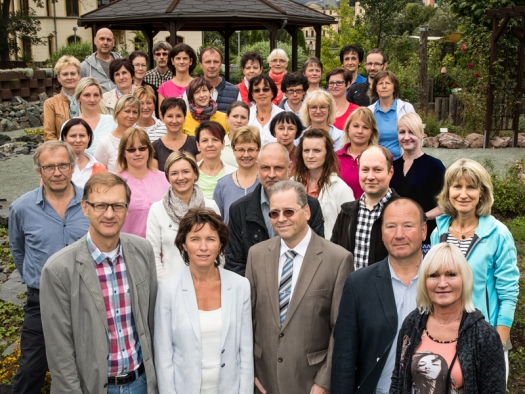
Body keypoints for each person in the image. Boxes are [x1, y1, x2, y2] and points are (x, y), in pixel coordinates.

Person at [40, 172, 158, 393]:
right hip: (94, 387)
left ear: (127, 208)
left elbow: (151, 322)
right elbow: (59, 350)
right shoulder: (58, 270)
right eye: (100, 205)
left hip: (141, 382)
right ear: (85, 207)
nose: (110, 214)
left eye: (117, 206)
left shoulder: (143, 251)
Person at [246, 180, 354, 394]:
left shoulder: (338, 259)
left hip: (311, 382)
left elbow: (341, 330)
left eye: (288, 211)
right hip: (263, 380)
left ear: (306, 212)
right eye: (274, 214)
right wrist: (250, 372)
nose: (281, 219)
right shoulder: (256, 255)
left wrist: (324, 381)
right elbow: (247, 319)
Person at [8, 141, 89, 394]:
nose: (57, 172)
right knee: (31, 368)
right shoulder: (21, 208)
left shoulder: (91, 202)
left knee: (88, 364)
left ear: (72, 167)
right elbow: (18, 248)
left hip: (86, 296)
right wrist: (33, 278)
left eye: (63, 165)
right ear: (38, 171)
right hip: (41, 299)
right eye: (49, 167)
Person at [430, 158, 520, 375]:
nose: (463, 194)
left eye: (471, 187)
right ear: (448, 191)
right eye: (457, 186)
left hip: (486, 337)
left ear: (482, 193)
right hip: (445, 337)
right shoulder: (438, 234)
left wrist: (497, 343)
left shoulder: (498, 234)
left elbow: (508, 294)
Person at [331, 198, 427, 394]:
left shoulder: (444, 282)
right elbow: (345, 357)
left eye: (408, 226)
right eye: (391, 226)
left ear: (423, 231)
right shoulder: (358, 284)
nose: (399, 235)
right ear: (382, 233)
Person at [155, 207, 253, 393]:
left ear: (221, 244)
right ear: (183, 244)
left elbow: (245, 353)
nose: (203, 247)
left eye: (210, 239)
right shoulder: (168, 289)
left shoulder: (240, 286)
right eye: (195, 239)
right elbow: (164, 357)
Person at [390, 242, 507, 393]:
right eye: (434, 275)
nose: (442, 283)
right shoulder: (412, 323)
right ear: (424, 282)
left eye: (451, 274)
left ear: (464, 279)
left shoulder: (484, 335)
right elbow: (398, 380)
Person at [225, 143, 325, 276]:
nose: (271, 175)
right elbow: (234, 264)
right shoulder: (239, 210)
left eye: (278, 168)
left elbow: (317, 255)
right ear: (257, 167)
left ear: (289, 168)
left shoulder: (310, 205)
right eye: (266, 168)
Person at [146, 151, 220, 280]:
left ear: (195, 173)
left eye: (186, 171)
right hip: (171, 285)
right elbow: (152, 254)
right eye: (174, 173)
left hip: (206, 283)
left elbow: (220, 250)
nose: (181, 177)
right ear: (168, 177)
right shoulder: (157, 210)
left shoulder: (211, 207)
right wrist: (166, 285)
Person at [331, 145, 398, 269]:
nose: (370, 177)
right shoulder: (346, 213)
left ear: (390, 172)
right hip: (349, 287)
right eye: (365, 170)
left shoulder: (403, 212)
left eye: (377, 170)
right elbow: (333, 257)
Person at [390, 113, 445, 252]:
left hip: (425, 235)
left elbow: (446, 205)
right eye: (402, 132)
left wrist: (422, 217)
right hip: (396, 235)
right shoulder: (392, 166)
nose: (406, 137)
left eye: (412, 132)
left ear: (421, 134)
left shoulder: (435, 166)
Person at [294, 128, 354, 239]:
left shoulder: (341, 189)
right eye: (306, 150)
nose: (310, 155)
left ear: (327, 154)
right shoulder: (292, 184)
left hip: (328, 251)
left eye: (317, 150)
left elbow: (349, 230)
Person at [116, 127, 169, 237]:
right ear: (123, 153)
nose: (137, 153)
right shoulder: (115, 182)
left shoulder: (165, 179)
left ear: (149, 150)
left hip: (161, 248)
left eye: (142, 148)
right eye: (131, 150)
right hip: (128, 248)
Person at [214, 126, 260, 224]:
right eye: (241, 150)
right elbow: (217, 223)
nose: (246, 155)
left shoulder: (266, 183)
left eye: (251, 149)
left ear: (258, 150)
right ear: (234, 150)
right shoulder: (222, 185)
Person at [368, 70, 415, 160]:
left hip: (402, 160)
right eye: (380, 83)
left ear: (394, 87)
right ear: (375, 88)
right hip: (376, 160)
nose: (384, 86)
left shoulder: (407, 108)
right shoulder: (369, 111)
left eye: (388, 83)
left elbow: (415, 134)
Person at [336, 107, 378, 199]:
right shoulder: (334, 157)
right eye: (356, 126)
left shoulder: (380, 157)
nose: (360, 131)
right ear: (347, 129)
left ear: (372, 132)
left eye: (365, 127)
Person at [94, 94, 140, 172]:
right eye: (127, 111)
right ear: (117, 112)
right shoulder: (105, 143)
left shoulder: (142, 137)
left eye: (135, 112)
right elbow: (98, 173)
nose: (131, 116)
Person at [153, 97, 199, 171]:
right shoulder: (155, 147)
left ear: (184, 118)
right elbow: (156, 178)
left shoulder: (195, 143)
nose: (174, 121)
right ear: (162, 117)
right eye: (170, 116)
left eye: (178, 116)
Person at [73, 77, 117, 154]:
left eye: (96, 95)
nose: (92, 100)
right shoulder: (70, 125)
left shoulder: (112, 121)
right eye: (87, 95)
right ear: (78, 98)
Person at [43, 55, 81, 141]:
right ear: (59, 78)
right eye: (65, 74)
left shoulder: (89, 99)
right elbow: (49, 135)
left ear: (79, 75)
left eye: (73, 73)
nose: (69, 77)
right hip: (62, 150)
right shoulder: (50, 103)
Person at [195, 120, 236, 199]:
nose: (210, 144)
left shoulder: (234, 174)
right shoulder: (190, 173)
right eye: (205, 140)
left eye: (215, 140)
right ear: (198, 145)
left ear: (223, 144)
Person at [61, 118, 107, 187]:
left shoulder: (99, 167)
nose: (78, 140)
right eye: (73, 136)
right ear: (64, 138)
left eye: (82, 135)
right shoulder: (55, 166)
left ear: (88, 138)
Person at [195, 46, 240, 112]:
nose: (212, 66)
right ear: (201, 64)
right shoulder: (190, 90)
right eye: (208, 62)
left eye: (216, 62)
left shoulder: (235, 92)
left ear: (221, 63)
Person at [80, 28, 122, 93]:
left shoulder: (122, 63)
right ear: (95, 41)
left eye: (109, 39)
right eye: (102, 39)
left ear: (113, 42)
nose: (105, 42)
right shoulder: (85, 67)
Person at [248, 74, 284, 145]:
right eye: (257, 90)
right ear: (252, 95)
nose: (261, 93)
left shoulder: (282, 115)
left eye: (266, 89)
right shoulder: (246, 115)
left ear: (273, 93)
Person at [158, 43, 197, 108]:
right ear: (172, 61)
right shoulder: (164, 87)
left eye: (185, 58)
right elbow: (162, 115)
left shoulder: (198, 84)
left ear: (191, 61)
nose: (181, 62)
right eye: (178, 58)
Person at [269, 111, 303, 176]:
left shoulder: (302, 156)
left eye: (291, 129)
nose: (285, 133)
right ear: (274, 131)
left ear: (297, 131)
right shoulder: (267, 154)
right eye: (281, 128)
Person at [222, 101, 250, 167]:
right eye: (235, 116)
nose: (239, 121)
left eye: (243, 117)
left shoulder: (257, 143)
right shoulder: (219, 144)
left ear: (248, 120)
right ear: (227, 118)